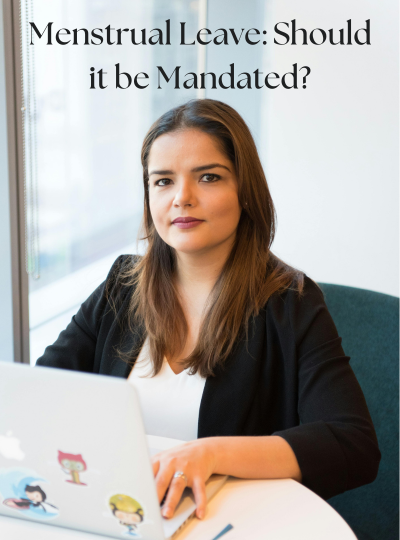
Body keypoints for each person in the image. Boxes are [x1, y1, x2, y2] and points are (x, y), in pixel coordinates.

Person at [36, 98, 381, 522]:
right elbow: (41, 393)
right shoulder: (122, 285)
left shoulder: (290, 302)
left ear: (245, 191)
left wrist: (210, 453)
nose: (182, 198)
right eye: (162, 181)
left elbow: (351, 444)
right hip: (126, 515)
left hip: (229, 521)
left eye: (209, 177)